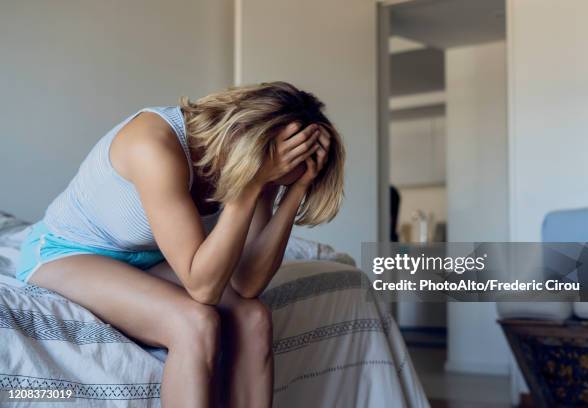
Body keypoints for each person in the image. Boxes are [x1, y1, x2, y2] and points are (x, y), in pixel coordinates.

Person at [15, 82, 345, 408]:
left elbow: (246, 283)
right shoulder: (154, 143)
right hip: (68, 252)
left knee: (253, 316)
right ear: (246, 137)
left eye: (278, 182)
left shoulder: (265, 170)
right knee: (193, 322)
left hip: (146, 260)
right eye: (271, 179)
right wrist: (249, 185)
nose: (269, 187)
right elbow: (204, 290)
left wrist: (296, 190)